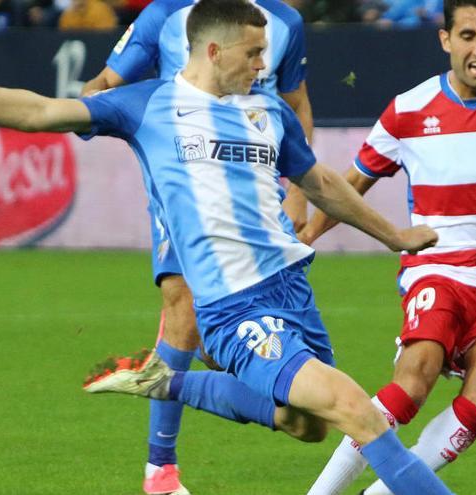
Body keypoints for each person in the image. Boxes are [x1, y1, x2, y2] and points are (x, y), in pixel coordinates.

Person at [0, 2, 454, 494]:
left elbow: (322, 186)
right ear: (213, 50)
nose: (264, 66)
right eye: (254, 53)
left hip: (294, 290)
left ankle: (168, 379)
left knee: (305, 425)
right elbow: (42, 111)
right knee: (361, 413)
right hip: (234, 307)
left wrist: (395, 237)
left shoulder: (270, 113)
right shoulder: (148, 105)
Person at [299, 0, 476, 493]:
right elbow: (349, 186)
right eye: (467, 36)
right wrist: (307, 237)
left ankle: (382, 492)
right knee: (414, 377)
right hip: (438, 271)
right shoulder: (408, 111)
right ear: (446, 40)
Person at [78, 1, 313, 492]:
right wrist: (99, 115)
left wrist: (297, 190)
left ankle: (219, 366)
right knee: (182, 305)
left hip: (257, 191)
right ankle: (160, 469)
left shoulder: (284, 21)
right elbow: (103, 86)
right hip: (186, 180)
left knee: (244, 356)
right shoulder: (165, 14)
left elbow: (296, 104)